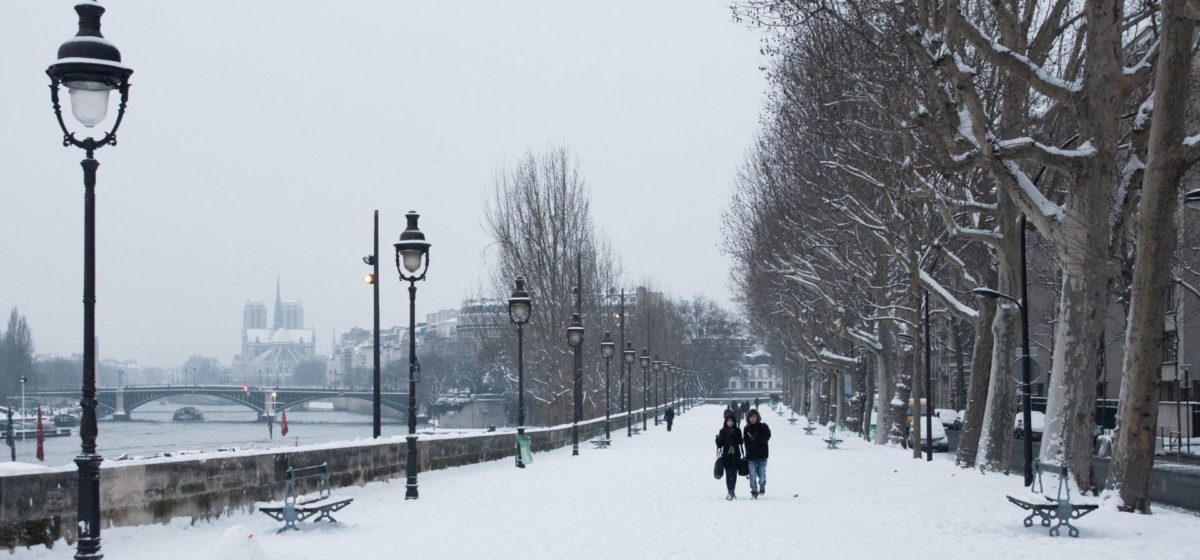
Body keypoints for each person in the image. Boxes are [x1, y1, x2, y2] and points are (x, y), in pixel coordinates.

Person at [715, 412, 744, 500]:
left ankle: (732, 491)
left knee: (734, 475)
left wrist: (735, 437)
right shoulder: (722, 431)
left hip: (736, 455)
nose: (730, 422)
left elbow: (741, 441)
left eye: (732, 421)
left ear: (734, 422)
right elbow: (720, 445)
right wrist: (718, 440)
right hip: (726, 455)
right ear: (726, 422)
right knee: (728, 474)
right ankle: (730, 491)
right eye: (728, 421)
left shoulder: (738, 430)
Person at [743, 409, 771, 498]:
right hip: (751, 456)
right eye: (750, 417)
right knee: (752, 474)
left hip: (762, 455)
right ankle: (754, 490)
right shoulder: (746, 428)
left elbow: (767, 436)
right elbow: (746, 443)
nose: (752, 419)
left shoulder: (763, 426)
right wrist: (747, 455)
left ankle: (762, 484)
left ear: (757, 417)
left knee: (761, 475)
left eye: (754, 417)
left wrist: (756, 438)